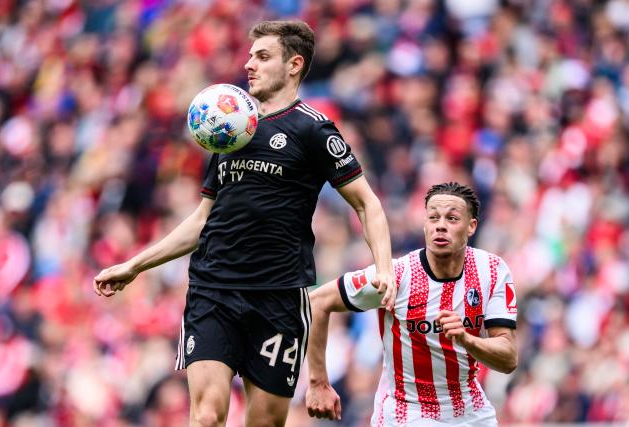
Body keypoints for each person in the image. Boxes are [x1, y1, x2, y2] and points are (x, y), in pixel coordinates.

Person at [93, 20, 396, 427]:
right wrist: (135, 265)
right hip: (213, 288)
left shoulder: (313, 129)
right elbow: (203, 220)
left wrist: (384, 268)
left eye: (263, 56)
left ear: (294, 65)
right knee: (206, 417)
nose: (249, 64)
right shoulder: (228, 130)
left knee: (266, 423)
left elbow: (367, 204)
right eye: (250, 55)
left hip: (279, 297)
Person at [306, 182, 518, 426]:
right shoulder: (397, 275)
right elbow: (318, 301)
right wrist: (318, 382)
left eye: (452, 218)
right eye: (433, 217)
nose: (440, 225)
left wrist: (466, 339)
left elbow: (508, 359)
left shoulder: (491, 270)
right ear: (425, 224)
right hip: (407, 411)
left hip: (470, 411)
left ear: (471, 226)